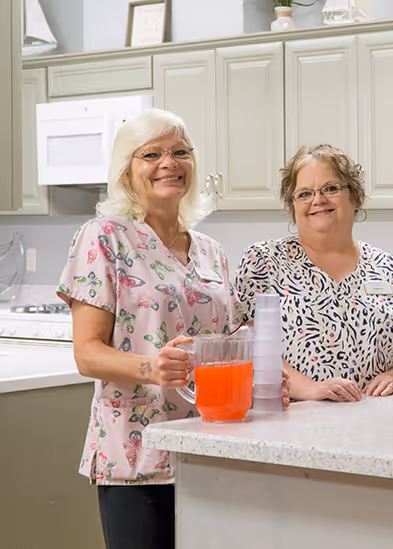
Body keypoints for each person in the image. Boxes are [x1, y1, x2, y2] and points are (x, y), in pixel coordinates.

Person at [57, 108, 288, 549]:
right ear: (127, 169)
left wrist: (272, 381)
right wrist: (152, 368)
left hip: (214, 448)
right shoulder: (103, 237)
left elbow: (234, 340)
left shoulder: (210, 250)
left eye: (180, 151)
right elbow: (87, 353)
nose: (170, 163)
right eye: (152, 154)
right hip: (137, 451)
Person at [234, 144, 393, 402]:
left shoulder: (391, 268)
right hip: (295, 421)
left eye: (331, 188)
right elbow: (244, 342)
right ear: (292, 205)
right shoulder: (264, 262)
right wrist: (309, 389)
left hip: (382, 421)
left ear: (355, 197)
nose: (318, 200)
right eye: (304, 194)